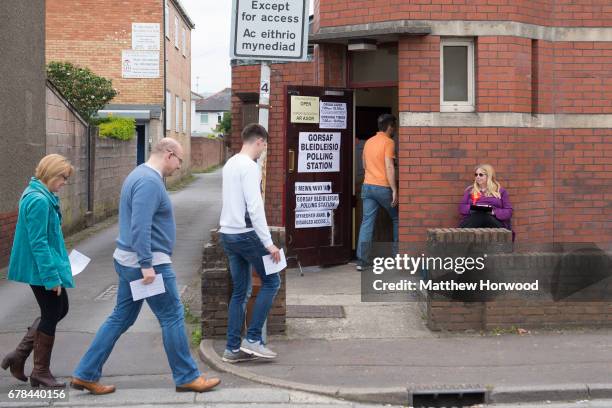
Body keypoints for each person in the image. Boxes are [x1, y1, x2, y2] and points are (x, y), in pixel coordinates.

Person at [71, 138, 220, 394]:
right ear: (169, 154)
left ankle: (85, 373)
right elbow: (140, 225)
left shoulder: (138, 175)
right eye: (179, 161)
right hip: (149, 265)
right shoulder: (149, 182)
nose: (179, 167)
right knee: (172, 315)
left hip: (132, 261)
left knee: (121, 317)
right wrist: (146, 264)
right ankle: (186, 376)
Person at [2, 154, 74, 387]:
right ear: (52, 173)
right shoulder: (39, 200)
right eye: (63, 177)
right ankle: (40, 371)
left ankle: (18, 356)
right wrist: (51, 277)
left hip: (44, 267)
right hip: (40, 269)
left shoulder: (42, 195)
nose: (64, 182)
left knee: (59, 309)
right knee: (53, 312)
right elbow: (38, 242)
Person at [219, 123, 281, 363]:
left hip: (228, 234)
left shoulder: (230, 163)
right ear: (259, 142)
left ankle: (232, 349)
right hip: (246, 234)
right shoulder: (250, 166)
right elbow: (254, 207)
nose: (264, 150)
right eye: (264, 145)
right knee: (272, 281)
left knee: (240, 292)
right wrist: (268, 243)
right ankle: (253, 338)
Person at [356, 114, 399, 271]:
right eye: (394, 126)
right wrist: (394, 189)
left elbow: (364, 164)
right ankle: (397, 257)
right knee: (397, 218)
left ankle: (362, 261)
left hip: (367, 186)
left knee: (367, 222)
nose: (394, 129)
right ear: (389, 127)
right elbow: (389, 166)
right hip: (382, 186)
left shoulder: (368, 142)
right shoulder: (389, 142)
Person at [458, 164, 513, 230]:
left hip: (494, 222)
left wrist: (493, 211)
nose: (477, 177)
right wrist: (477, 208)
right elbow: (462, 208)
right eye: (476, 174)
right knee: (480, 214)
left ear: (489, 176)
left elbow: (508, 211)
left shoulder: (501, 191)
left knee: (483, 215)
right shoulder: (470, 191)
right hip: (474, 220)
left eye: (481, 175)